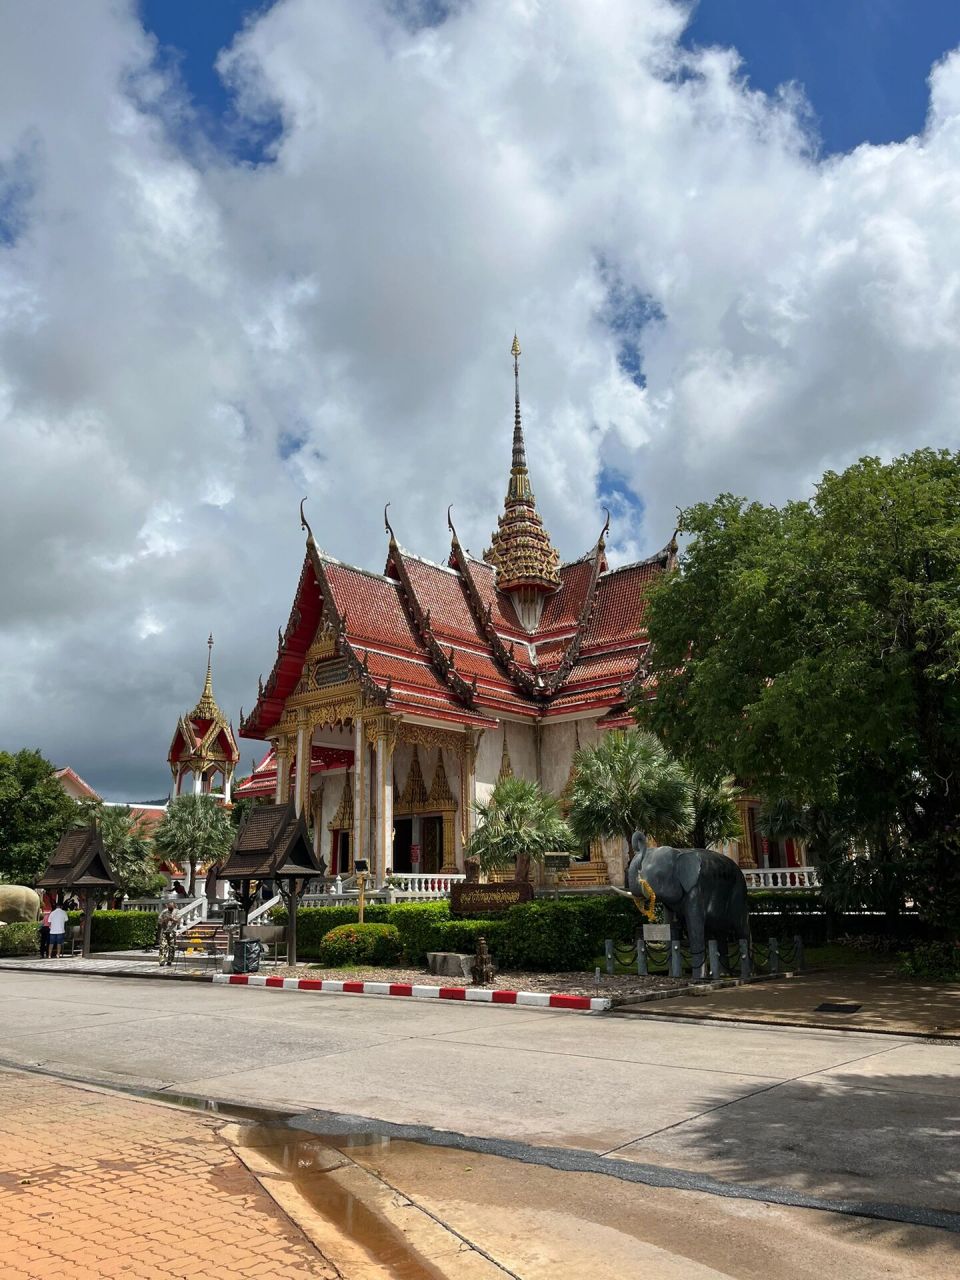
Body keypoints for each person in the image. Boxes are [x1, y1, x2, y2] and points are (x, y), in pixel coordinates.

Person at [157, 902, 178, 967]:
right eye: (169, 907)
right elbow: (159, 921)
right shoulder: (164, 912)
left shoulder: (177, 912)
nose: (170, 909)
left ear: (174, 907)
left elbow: (178, 921)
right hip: (164, 931)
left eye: (171, 908)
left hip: (172, 931)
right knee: (162, 946)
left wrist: (172, 919)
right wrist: (164, 920)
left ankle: (170, 960)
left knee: (172, 947)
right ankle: (162, 961)